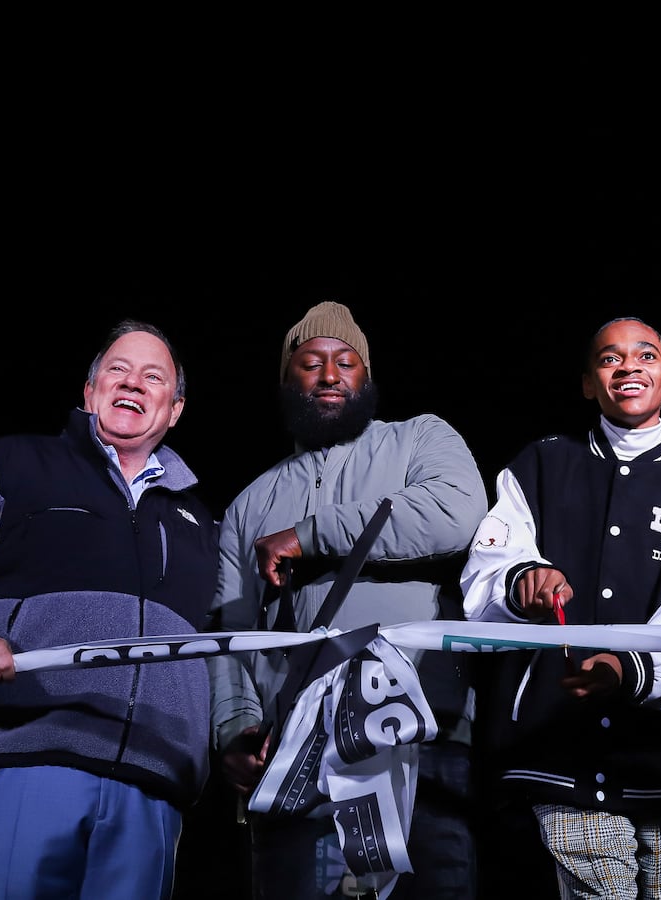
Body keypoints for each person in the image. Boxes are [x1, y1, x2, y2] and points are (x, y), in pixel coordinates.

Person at [0, 319, 219, 899]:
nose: (133, 384)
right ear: (89, 393)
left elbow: (225, 643)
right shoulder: (7, 465)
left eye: (152, 377)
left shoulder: (204, 525)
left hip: (153, 784)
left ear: (174, 409)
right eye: (117, 370)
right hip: (24, 754)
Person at [206, 300, 489, 899]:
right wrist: (235, 726)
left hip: (417, 735)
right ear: (288, 381)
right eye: (310, 363)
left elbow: (454, 515)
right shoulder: (247, 504)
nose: (330, 375)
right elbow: (227, 630)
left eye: (346, 362)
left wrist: (308, 535)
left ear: (366, 377)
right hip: (295, 753)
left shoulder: (421, 439)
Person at [460, 316, 661, 900]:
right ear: (589, 383)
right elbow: (485, 571)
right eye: (609, 359)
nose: (628, 367)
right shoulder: (542, 464)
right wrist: (523, 581)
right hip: (559, 745)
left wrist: (626, 667)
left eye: (645, 355)